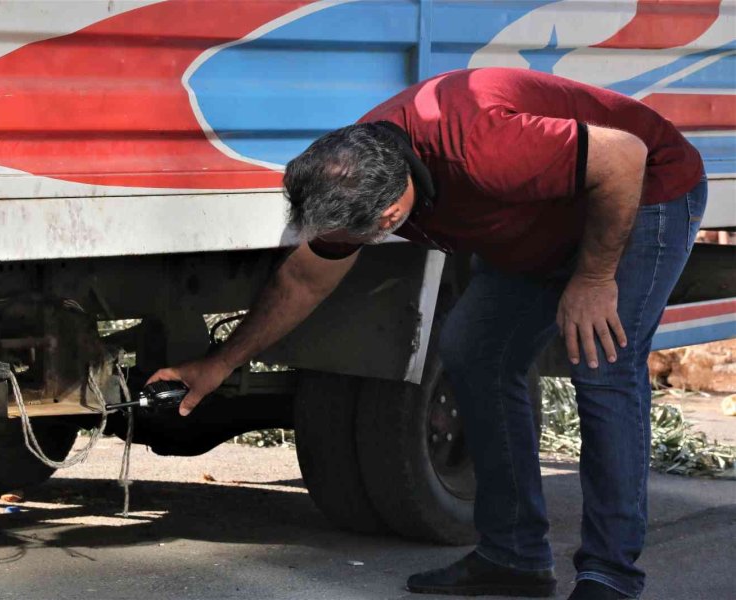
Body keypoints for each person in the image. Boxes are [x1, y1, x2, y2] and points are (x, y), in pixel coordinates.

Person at [148, 67, 706, 600]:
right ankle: (514, 556)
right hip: (542, 216)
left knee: (602, 363)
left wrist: (593, 277)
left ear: (392, 214)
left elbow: (623, 156)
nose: (342, 246)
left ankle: (610, 576)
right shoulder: (353, 167)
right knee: (473, 354)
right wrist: (219, 363)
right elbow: (302, 278)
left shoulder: (481, 147)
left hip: (643, 191)